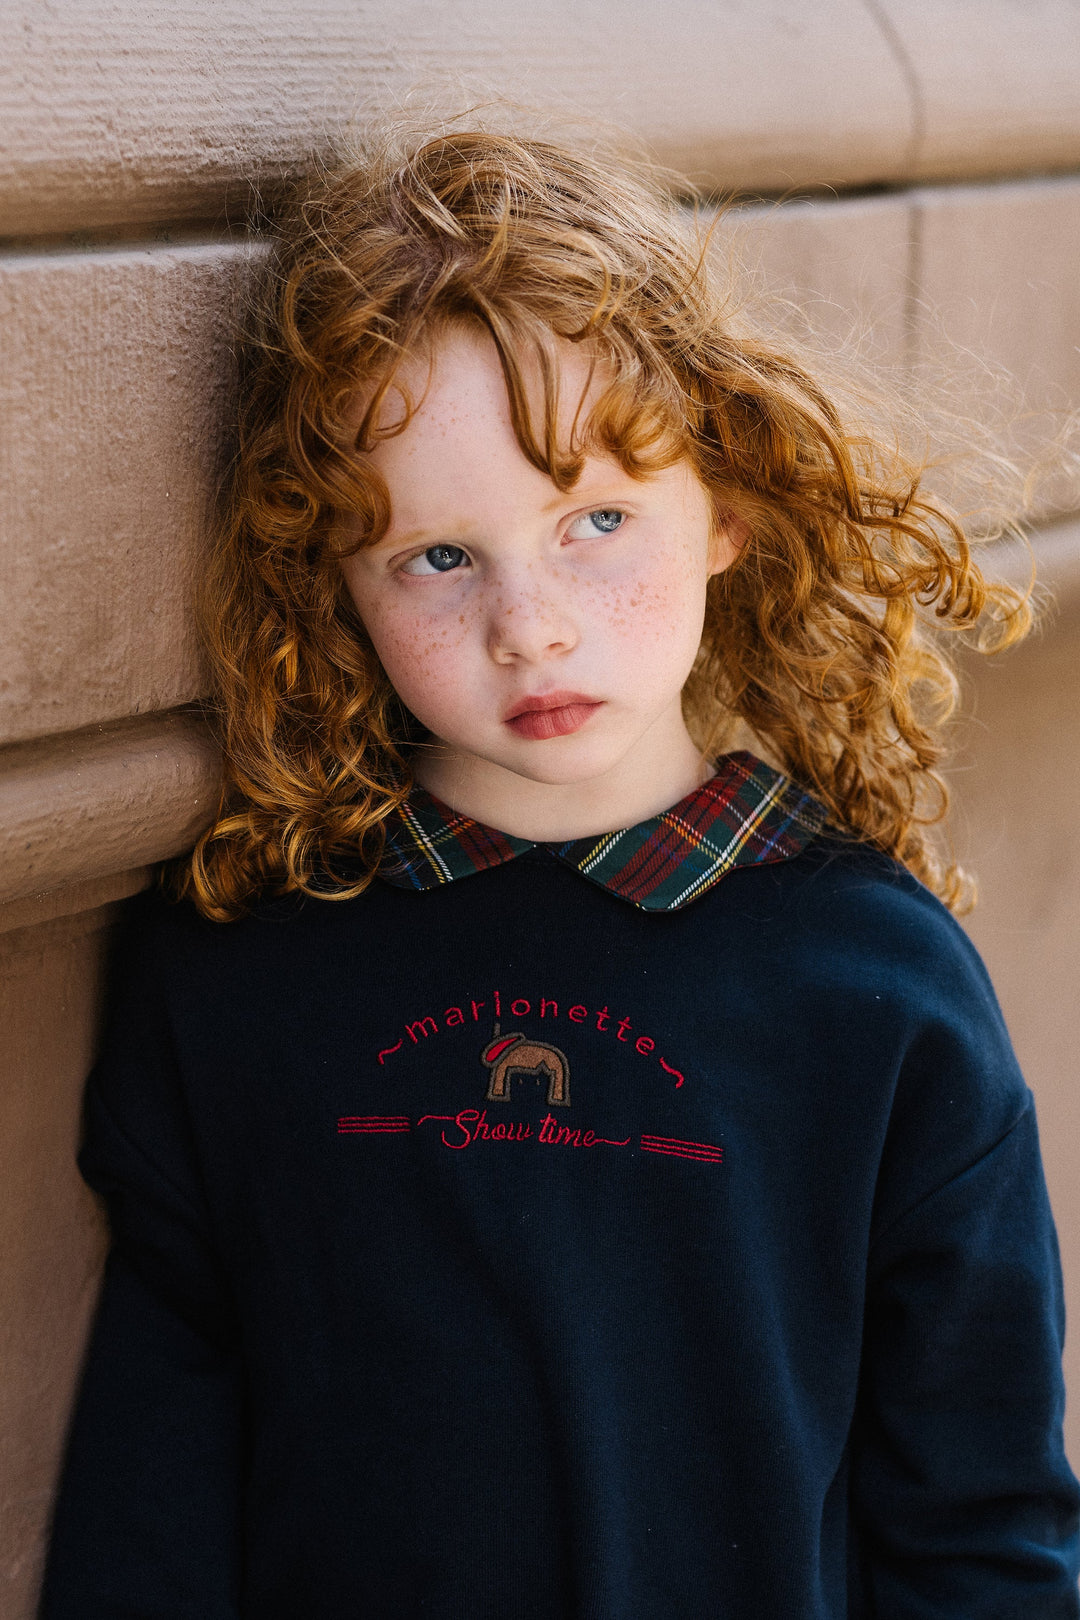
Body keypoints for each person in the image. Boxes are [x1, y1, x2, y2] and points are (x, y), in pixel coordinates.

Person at [41, 126, 1080, 1618]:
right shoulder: (241, 976)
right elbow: (149, 1522)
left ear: (727, 503)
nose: (528, 624)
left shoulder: (880, 992)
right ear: (332, 580)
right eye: (437, 557)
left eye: (596, 520)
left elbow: (983, 1534)